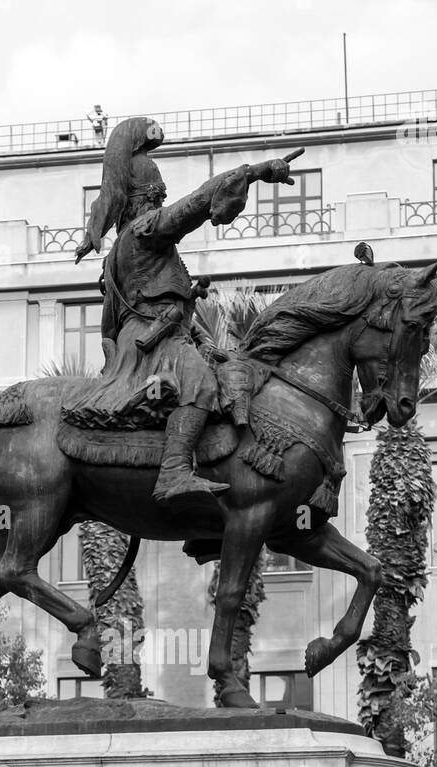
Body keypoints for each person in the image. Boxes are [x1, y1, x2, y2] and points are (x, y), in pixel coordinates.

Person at [72, 116, 295, 512]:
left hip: (173, 332)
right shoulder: (145, 230)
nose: (160, 204)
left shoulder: (125, 245)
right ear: (143, 196)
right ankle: (174, 471)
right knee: (201, 385)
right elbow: (194, 205)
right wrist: (256, 172)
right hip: (152, 339)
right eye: (157, 195)